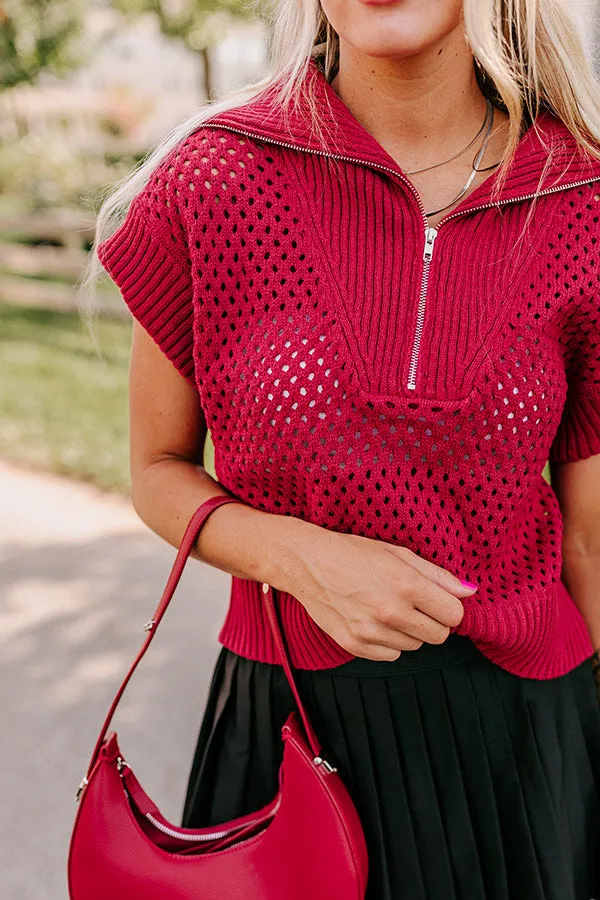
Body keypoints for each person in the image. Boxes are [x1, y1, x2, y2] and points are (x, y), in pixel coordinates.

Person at [85, 0, 600, 897]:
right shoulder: (213, 179)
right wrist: (302, 558)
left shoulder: (584, 201)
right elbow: (157, 471)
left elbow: (593, 540)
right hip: (289, 721)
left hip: (528, 741)